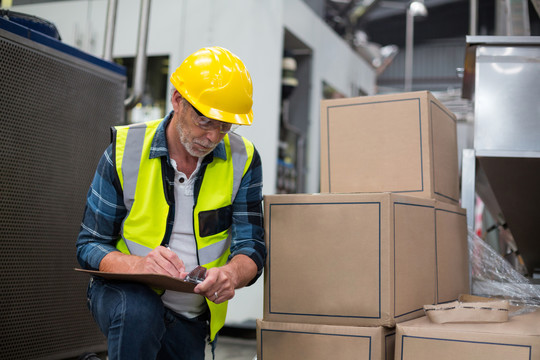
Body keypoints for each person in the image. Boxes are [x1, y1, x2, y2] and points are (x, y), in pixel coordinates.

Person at [76, 46, 266, 360]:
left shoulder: (243, 159)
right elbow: (89, 244)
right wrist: (139, 266)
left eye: (225, 126)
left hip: (191, 315)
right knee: (139, 312)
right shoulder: (126, 151)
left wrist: (231, 274)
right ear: (177, 100)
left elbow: (253, 246)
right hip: (125, 295)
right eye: (205, 121)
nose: (212, 137)